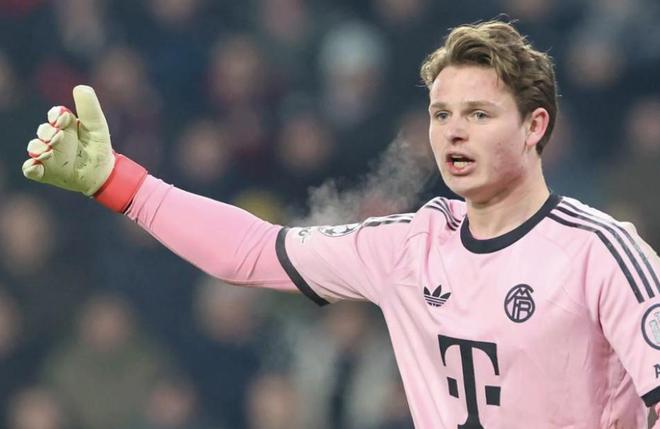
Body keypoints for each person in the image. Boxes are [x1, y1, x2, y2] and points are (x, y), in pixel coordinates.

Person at [21, 20, 659, 429]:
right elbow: (250, 252)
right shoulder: (409, 246)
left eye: (479, 114)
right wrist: (118, 182)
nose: (454, 132)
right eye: (441, 115)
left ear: (534, 126)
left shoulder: (601, 254)